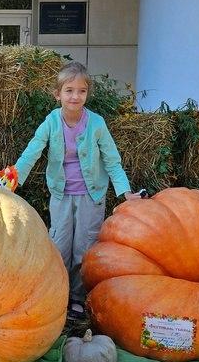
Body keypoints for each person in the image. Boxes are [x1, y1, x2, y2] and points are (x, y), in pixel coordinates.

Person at [11, 61, 142, 321]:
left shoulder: (96, 124)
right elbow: (33, 150)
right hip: (61, 194)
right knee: (59, 246)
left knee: (84, 248)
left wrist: (125, 192)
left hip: (91, 196)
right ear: (57, 94)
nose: (75, 96)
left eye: (81, 91)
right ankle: (57, 296)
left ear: (87, 94)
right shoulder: (51, 122)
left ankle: (78, 299)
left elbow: (111, 159)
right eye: (69, 90)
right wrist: (14, 179)